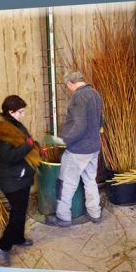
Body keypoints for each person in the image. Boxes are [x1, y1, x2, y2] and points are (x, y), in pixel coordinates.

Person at [48, 71, 104, 226]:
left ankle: (63, 217)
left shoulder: (78, 97)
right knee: (90, 181)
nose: (69, 89)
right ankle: (95, 213)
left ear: (71, 83)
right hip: (94, 147)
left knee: (67, 183)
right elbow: (100, 122)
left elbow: (79, 125)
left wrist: (64, 140)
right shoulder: (95, 94)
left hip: (78, 150)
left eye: (68, 86)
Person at [0, 95, 36, 267]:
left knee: (21, 210)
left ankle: (18, 237)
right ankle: (2, 247)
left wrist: (35, 146)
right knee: (17, 214)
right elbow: (9, 156)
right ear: (11, 112)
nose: (23, 115)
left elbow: (26, 140)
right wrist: (28, 145)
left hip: (21, 175)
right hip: (11, 179)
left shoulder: (15, 123)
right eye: (21, 112)